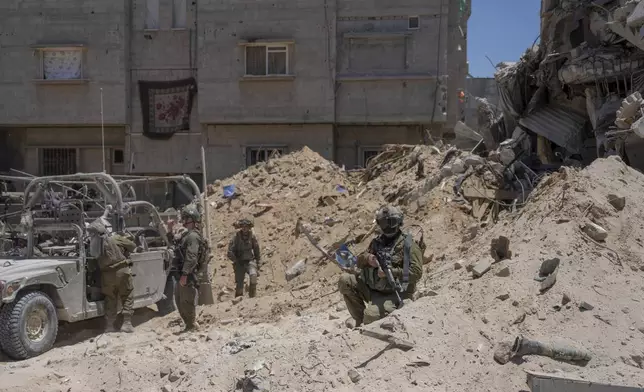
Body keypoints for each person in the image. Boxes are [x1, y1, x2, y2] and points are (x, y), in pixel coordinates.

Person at [338, 205, 423, 327]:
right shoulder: (377, 242)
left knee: (370, 316)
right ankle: (359, 319)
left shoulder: (408, 245)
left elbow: (417, 272)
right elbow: (359, 261)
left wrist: (392, 272)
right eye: (384, 223)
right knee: (345, 280)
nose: (388, 227)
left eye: (391, 222)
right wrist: (368, 259)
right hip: (374, 289)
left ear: (399, 222)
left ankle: (366, 320)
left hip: (396, 293)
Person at [87, 219, 137, 333]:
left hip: (107, 275)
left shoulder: (92, 247)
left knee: (110, 298)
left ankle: (110, 326)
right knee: (127, 294)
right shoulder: (114, 238)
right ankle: (127, 323)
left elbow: (91, 266)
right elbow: (133, 246)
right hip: (122, 270)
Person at [167, 204, 208, 332]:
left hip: (188, 274)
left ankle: (191, 326)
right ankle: (189, 325)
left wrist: (185, 275)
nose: (183, 221)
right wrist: (169, 229)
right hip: (182, 273)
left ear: (191, 219)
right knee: (179, 301)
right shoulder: (187, 235)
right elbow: (175, 243)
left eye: (185, 218)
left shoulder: (193, 237)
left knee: (186, 301)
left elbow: (191, 257)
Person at [227, 218, 261, 298]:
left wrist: (258, 262)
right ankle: (238, 302)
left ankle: (252, 297)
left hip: (250, 261)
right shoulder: (236, 237)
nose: (245, 228)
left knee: (253, 276)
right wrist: (235, 260)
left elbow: (256, 250)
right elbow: (229, 251)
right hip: (239, 262)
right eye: (243, 226)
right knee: (240, 285)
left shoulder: (252, 236)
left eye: (246, 226)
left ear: (249, 227)